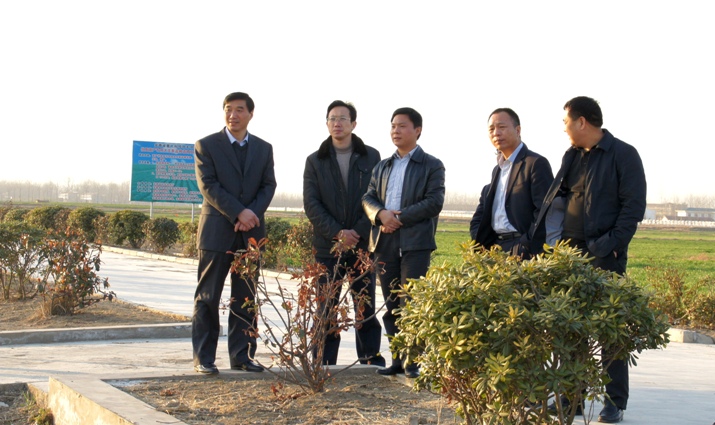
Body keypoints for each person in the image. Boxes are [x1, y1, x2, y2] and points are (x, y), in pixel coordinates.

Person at [532, 96, 646, 423]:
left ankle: (614, 402)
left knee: (609, 330)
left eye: (566, 122)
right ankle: (573, 399)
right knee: (572, 330)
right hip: (570, 255)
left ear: (581, 122)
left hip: (604, 254)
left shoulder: (623, 154)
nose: (564, 129)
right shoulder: (571, 156)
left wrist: (610, 245)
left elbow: (633, 207)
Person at [192, 92, 277, 375]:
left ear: (250, 114)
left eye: (239, 109)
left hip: (250, 234)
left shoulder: (263, 148)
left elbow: (268, 185)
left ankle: (242, 356)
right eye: (228, 109)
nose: (233, 115)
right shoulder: (206, 145)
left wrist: (251, 214)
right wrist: (239, 212)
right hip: (216, 233)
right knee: (208, 297)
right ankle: (204, 358)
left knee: (246, 298)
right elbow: (208, 185)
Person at [362, 107, 445, 378]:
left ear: (417, 130)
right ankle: (397, 359)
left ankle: (412, 362)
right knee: (391, 304)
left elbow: (434, 202)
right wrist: (380, 214)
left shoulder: (432, 165)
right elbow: (368, 198)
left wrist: (399, 218)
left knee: (412, 302)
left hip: (415, 243)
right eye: (393, 126)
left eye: (402, 126)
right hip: (384, 241)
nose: (395, 131)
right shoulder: (382, 166)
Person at [303, 100, 384, 366]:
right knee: (326, 306)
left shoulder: (371, 157)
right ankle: (323, 363)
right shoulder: (315, 160)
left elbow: (377, 198)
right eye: (332, 118)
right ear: (327, 124)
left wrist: (356, 232)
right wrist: (338, 233)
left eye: (343, 118)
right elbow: (312, 204)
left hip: (362, 245)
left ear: (353, 124)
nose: (337, 123)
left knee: (365, 304)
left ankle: (370, 359)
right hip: (328, 247)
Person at [469, 108, 553, 258]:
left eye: (502, 127)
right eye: (491, 129)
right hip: (495, 248)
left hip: (522, 249)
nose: (496, 133)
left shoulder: (535, 163)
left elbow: (544, 211)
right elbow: (481, 216)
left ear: (518, 130)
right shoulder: (497, 170)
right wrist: (481, 242)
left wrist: (526, 244)